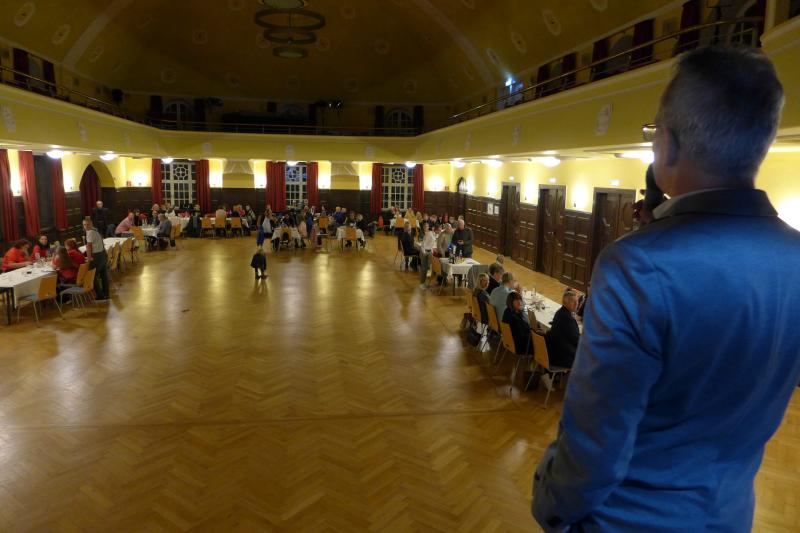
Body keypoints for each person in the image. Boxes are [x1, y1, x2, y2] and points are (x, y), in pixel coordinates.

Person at [532, 47, 800, 532]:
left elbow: (596, 444)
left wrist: (550, 502)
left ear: (669, 145)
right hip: (729, 514)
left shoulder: (637, 265)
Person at [544, 290, 580, 374]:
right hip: (561, 358)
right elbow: (576, 340)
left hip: (554, 353)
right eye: (573, 301)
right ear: (565, 302)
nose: (576, 304)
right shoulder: (567, 318)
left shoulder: (559, 312)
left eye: (577, 301)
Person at [83, 217, 110, 301]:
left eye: (87, 224)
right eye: (84, 225)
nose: (86, 226)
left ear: (91, 224)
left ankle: (100, 295)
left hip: (97, 256)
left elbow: (89, 246)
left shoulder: (90, 232)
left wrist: (89, 257)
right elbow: (102, 242)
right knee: (104, 276)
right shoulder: (96, 230)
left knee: (92, 276)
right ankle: (106, 294)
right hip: (102, 254)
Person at [418, 222, 436, 289]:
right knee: (424, 269)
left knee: (429, 267)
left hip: (428, 252)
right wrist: (424, 253)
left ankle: (427, 282)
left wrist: (432, 251)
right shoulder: (429, 234)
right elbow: (423, 245)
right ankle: (422, 283)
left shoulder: (431, 234)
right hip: (425, 252)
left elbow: (431, 245)